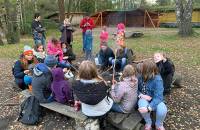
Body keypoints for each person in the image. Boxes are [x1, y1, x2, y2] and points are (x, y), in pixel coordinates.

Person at [137, 60, 167, 130]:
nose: (141, 72)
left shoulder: (157, 80)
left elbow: (159, 97)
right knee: (141, 105)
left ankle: (159, 124)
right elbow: (136, 90)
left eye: (143, 69)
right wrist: (141, 94)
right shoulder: (140, 76)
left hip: (155, 99)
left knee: (162, 109)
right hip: (143, 98)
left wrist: (149, 108)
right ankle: (148, 122)